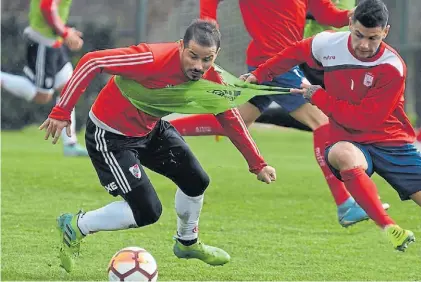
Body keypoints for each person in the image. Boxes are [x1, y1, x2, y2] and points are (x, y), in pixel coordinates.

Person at [39, 19, 276, 272]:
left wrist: (257, 164)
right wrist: (62, 111)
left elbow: (230, 118)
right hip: (111, 137)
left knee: (196, 181)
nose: (198, 66)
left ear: (216, 55)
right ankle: (76, 225)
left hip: (151, 130)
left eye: (206, 59)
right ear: (181, 46)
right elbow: (91, 61)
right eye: (193, 56)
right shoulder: (151, 57)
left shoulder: (213, 79)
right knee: (147, 211)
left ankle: (187, 242)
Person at [170, 0, 382, 228]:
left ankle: (164, 127)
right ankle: (345, 204)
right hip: (272, 61)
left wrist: (351, 15)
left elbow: (326, 13)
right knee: (322, 122)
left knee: (236, 121)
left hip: (284, 60)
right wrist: (208, 23)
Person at [244, 0, 419, 251]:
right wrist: (258, 74)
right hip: (349, 141)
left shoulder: (392, 67)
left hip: (391, 141)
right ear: (349, 24)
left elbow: (362, 120)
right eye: (359, 35)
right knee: (341, 153)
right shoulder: (327, 43)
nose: (364, 45)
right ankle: (390, 229)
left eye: (373, 38)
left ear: (385, 32)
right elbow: (292, 53)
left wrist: (317, 96)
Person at [1, 0, 88, 156]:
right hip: (43, 43)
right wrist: (65, 32)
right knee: (42, 96)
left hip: (54, 42)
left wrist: (64, 30)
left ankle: (70, 144)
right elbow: (47, 7)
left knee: (68, 88)